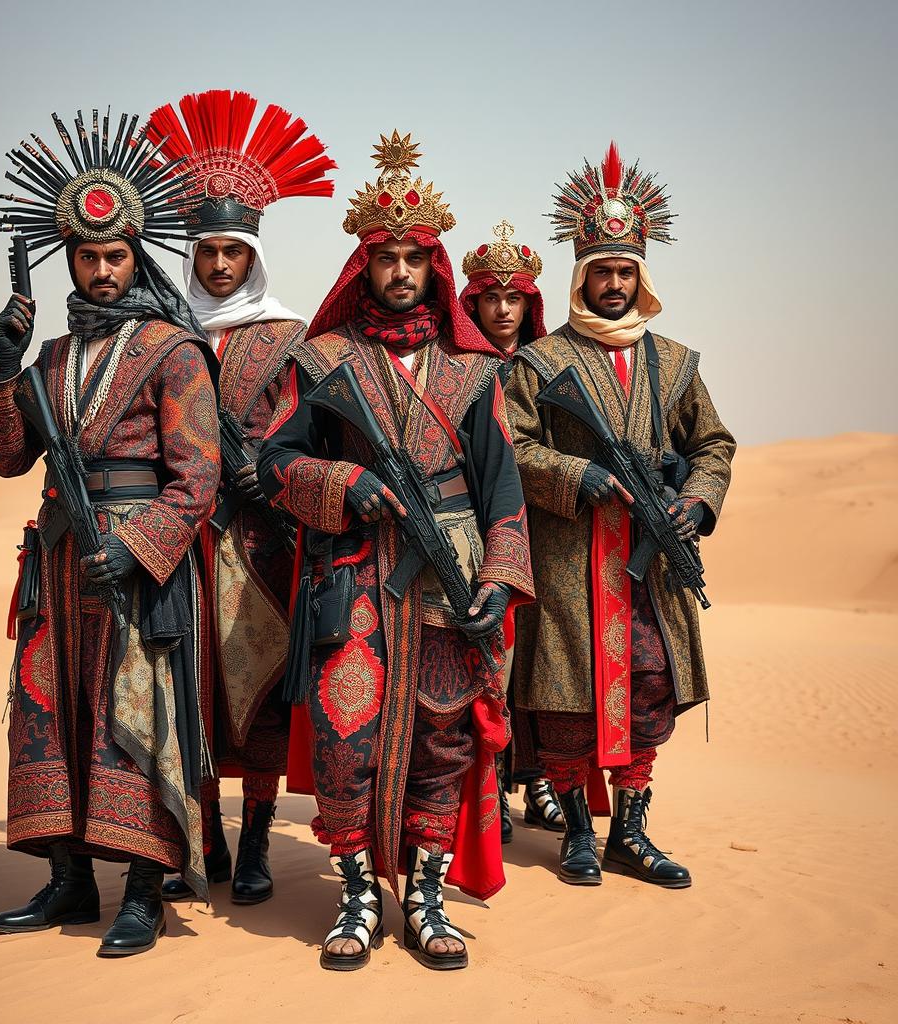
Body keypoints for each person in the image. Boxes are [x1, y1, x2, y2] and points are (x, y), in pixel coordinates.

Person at [257, 132, 534, 971]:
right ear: (365, 266)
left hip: (449, 588)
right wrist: (343, 483)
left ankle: (424, 893)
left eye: (417, 257)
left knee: (441, 743)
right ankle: (356, 891)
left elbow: (503, 490)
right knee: (350, 739)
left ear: (436, 266)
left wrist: (502, 576)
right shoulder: (324, 360)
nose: (403, 271)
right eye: (388, 257)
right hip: (355, 582)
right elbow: (272, 460)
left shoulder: (475, 370)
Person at [0, 108, 220, 956]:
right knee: (53, 715)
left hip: (139, 567)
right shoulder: (47, 358)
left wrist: (137, 546)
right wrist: (6, 369)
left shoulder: (175, 351)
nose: (103, 269)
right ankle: (69, 879)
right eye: (88, 257)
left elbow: (198, 480)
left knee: (135, 716)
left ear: (136, 255)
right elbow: (9, 459)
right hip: (57, 562)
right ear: (70, 259)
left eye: (116, 255)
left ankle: (144, 889)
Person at [505, 142, 735, 888]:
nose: (612, 283)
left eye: (625, 271)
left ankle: (630, 836)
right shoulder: (539, 363)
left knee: (645, 693)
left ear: (642, 275)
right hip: (572, 562)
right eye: (601, 270)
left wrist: (696, 501)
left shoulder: (677, 362)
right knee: (568, 701)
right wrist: (582, 475)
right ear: (581, 274)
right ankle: (576, 831)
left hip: (651, 569)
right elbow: (512, 447)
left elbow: (714, 443)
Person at [147, 89, 335, 906]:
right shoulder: (159, 330)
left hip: (264, 542)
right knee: (188, 687)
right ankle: (208, 836)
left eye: (233, 252)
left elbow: (315, 433)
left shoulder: (291, 338)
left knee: (256, 692)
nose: (219, 265)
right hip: (181, 541)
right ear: (189, 256)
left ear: (254, 256)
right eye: (206, 252)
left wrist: (274, 472)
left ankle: (257, 838)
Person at [459, 221, 565, 841]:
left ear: (531, 303)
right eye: (491, 298)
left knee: (542, 663)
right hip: (479, 530)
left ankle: (543, 779)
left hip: (547, 534)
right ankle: (489, 785)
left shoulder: (551, 369)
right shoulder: (460, 365)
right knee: (489, 659)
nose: (503, 310)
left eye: (515, 297)